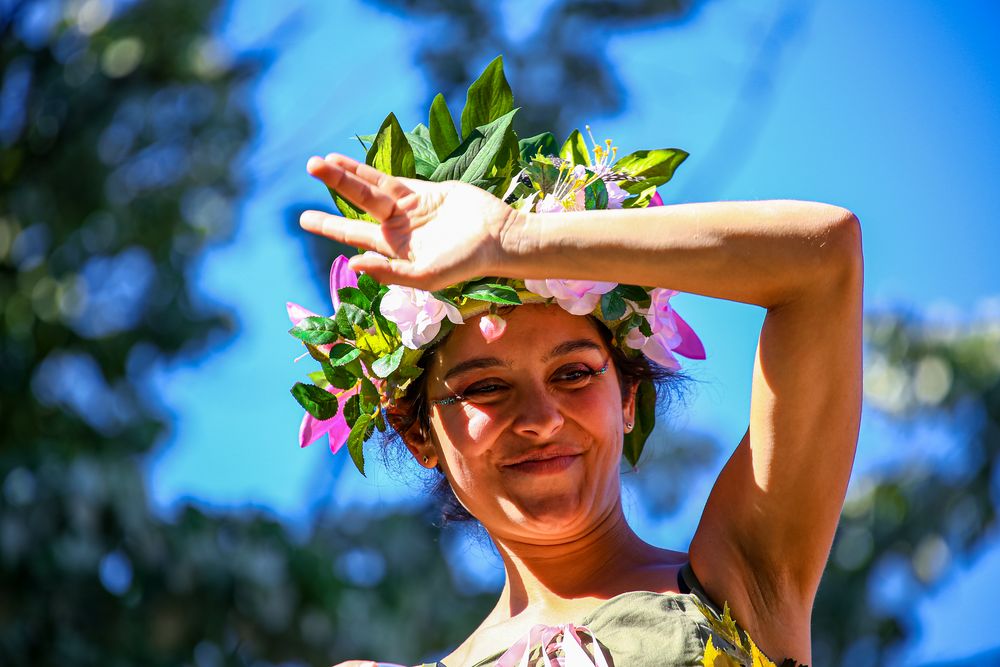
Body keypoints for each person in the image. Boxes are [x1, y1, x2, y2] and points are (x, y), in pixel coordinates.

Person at [285, 59, 862, 667]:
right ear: (416, 432)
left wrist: (516, 242)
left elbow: (824, 262)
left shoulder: (746, 582)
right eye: (485, 388)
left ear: (628, 397)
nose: (540, 418)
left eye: (574, 373)